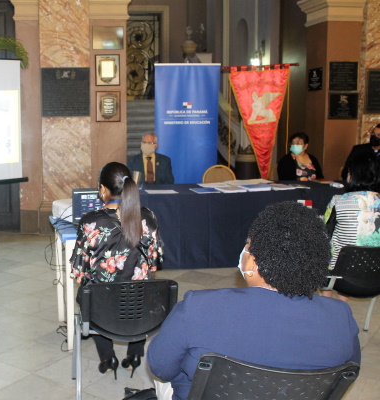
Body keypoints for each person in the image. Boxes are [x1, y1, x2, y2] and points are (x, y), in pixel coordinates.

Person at [147, 201, 360, 400]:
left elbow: (161, 368)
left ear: (254, 263)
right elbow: (346, 375)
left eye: (248, 245)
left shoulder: (198, 307)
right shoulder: (340, 317)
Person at [70, 162, 164, 379]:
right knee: (142, 287)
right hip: (141, 310)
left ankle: (107, 357)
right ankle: (135, 355)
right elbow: (153, 262)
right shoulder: (148, 216)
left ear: (103, 189)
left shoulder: (90, 222)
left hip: (104, 312)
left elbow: (80, 272)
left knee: (89, 293)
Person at [322, 151, 380, 301]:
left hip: (341, 278)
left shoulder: (338, 200)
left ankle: (329, 305)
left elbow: (324, 232)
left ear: (353, 175)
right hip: (375, 279)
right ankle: (342, 305)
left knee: (325, 251)